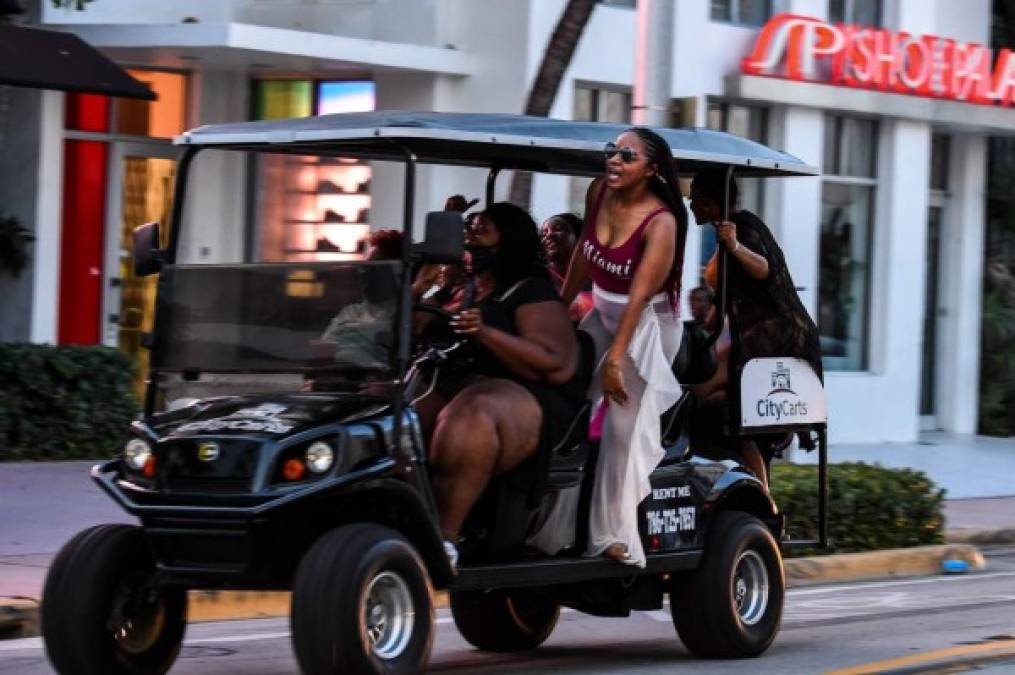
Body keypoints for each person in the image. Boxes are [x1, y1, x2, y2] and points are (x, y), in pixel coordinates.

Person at [533, 128, 688, 567]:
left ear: (652, 170)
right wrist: (559, 307)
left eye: (627, 155)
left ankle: (612, 536)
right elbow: (584, 251)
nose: (615, 160)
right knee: (574, 408)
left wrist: (615, 361)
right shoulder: (599, 190)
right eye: (612, 151)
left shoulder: (661, 222)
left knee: (621, 429)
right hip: (603, 313)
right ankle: (556, 527)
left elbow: (639, 298)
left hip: (647, 328)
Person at [415, 202, 584, 565]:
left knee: (470, 414)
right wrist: (422, 282)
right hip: (454, 381)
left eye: (483, 227)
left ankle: (445, 538)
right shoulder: (459, 286)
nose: (471, 233)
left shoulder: (529, 289)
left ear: (508, 239)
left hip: (529, 395)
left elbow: (557, 364)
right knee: (392, 413)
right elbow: (408, 332)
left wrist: (487, 333)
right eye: (469, 228)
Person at [689, 170, 822, 486]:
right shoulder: (727, 233)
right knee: (709, 398)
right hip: (753, 335)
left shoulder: (744, 228)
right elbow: (724, 303)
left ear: (711, 202)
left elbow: (765, 269)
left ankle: (762, 498)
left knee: (706, 392)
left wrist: (734, 246)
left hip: (776, 338)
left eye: (695, 197)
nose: (690, 203)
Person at [540, 213, 593, 321]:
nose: (549, 235)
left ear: (578, 236)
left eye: (557, 228)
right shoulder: (539, 279)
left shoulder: (598, 274)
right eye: (543, 234)